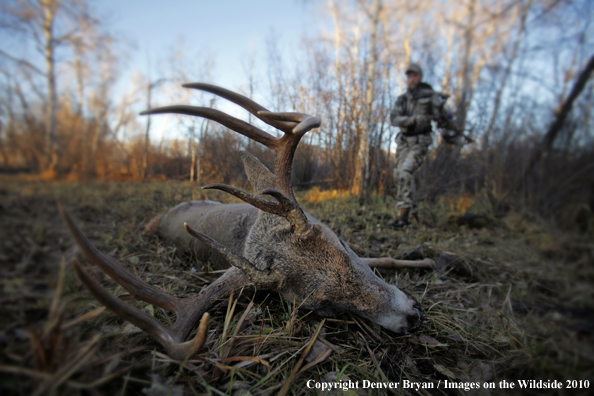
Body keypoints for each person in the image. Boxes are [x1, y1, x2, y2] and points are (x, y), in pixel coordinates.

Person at [387, 63, 447, 228]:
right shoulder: (403, 99)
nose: (411, 79)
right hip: (404, 141)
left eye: (415, 75)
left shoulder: (430, 96)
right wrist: (412, 120)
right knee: (399, 174)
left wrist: (443, 115)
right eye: (409, 76)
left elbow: (441, 117)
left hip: (420, 141)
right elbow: (394, 118)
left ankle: (403, 217)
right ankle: (412, 212)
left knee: (406, 171)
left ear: (420, 77)